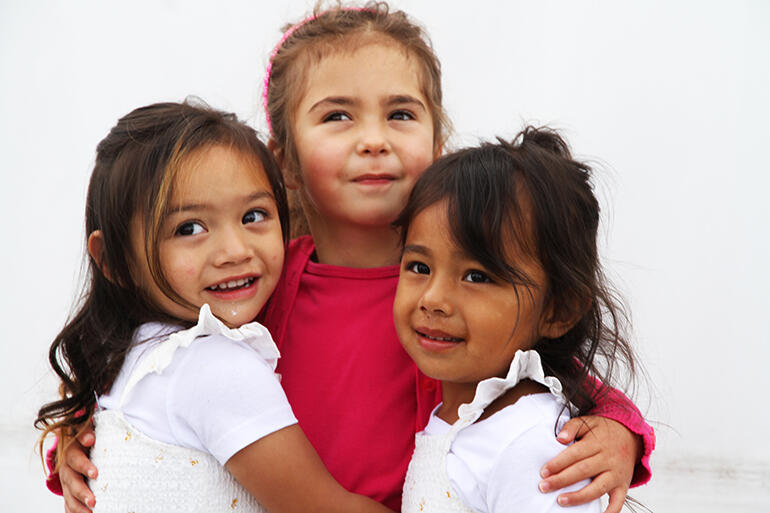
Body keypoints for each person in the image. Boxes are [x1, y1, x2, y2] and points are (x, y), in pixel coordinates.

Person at [53, 4, 654, 512]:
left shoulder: (459, 291)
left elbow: (555, 364)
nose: (373, 138)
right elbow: (148, 372)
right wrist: (77, 437)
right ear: (284, 160)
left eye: (400, 114)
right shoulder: (255, 280)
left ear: (437, 147)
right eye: (338, 116)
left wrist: (622, 433)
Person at [36, 101, 394, 513]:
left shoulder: (134, 353)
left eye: (253, 215)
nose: (235, 250)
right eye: (189, 228)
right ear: (115, 260)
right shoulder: (213, 365)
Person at [395, 127, 641, 512]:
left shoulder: (531, 445)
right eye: (419, 266)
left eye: (476, 276)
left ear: (558, 311)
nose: (433, 299)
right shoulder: (465, 421)